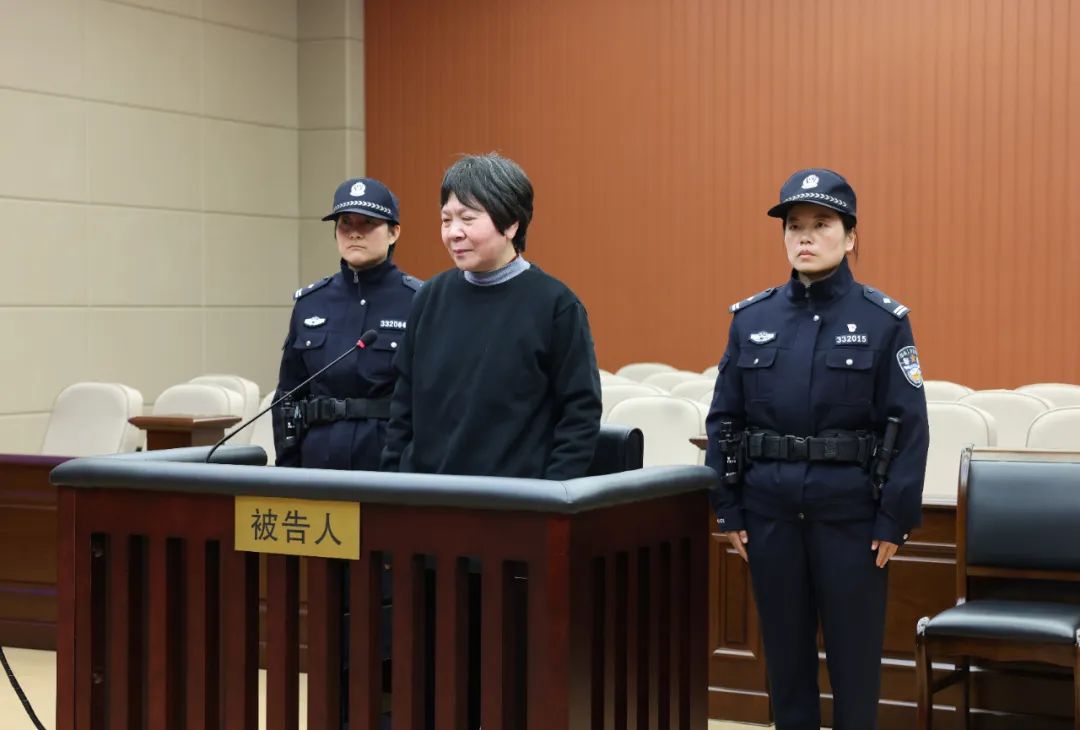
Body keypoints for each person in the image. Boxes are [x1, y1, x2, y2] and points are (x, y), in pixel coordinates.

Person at [705, 168, 929, 729]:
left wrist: (894, 518)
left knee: (855, 665)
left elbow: (910, 425)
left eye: (821, 224)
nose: (805, 236)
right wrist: (727, 508)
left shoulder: (883, 321)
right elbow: (724, 418)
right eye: (794, 225)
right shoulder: (752, 319)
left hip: (852, 519)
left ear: (850, 237)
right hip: (770, 514)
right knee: (786, 665)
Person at [381, 152, 602, 479]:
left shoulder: (556, 306)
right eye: (446, 220)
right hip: (426, 495)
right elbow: (402, 409)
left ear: (511, 223)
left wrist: (551, 494)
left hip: (514, 500)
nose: (453, 233)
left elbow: (580, 416)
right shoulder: (428, 298)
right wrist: (393, 484)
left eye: (467, 219)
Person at [273, 176, 421, 470]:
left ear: (394, 232)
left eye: (368, 223)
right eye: (345, 224)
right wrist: (288, 470)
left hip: (389, 462)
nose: (354, 233)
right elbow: (288, 396)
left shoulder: (418, 301)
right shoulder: (311, 302)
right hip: (319, 461)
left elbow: (431, 401)